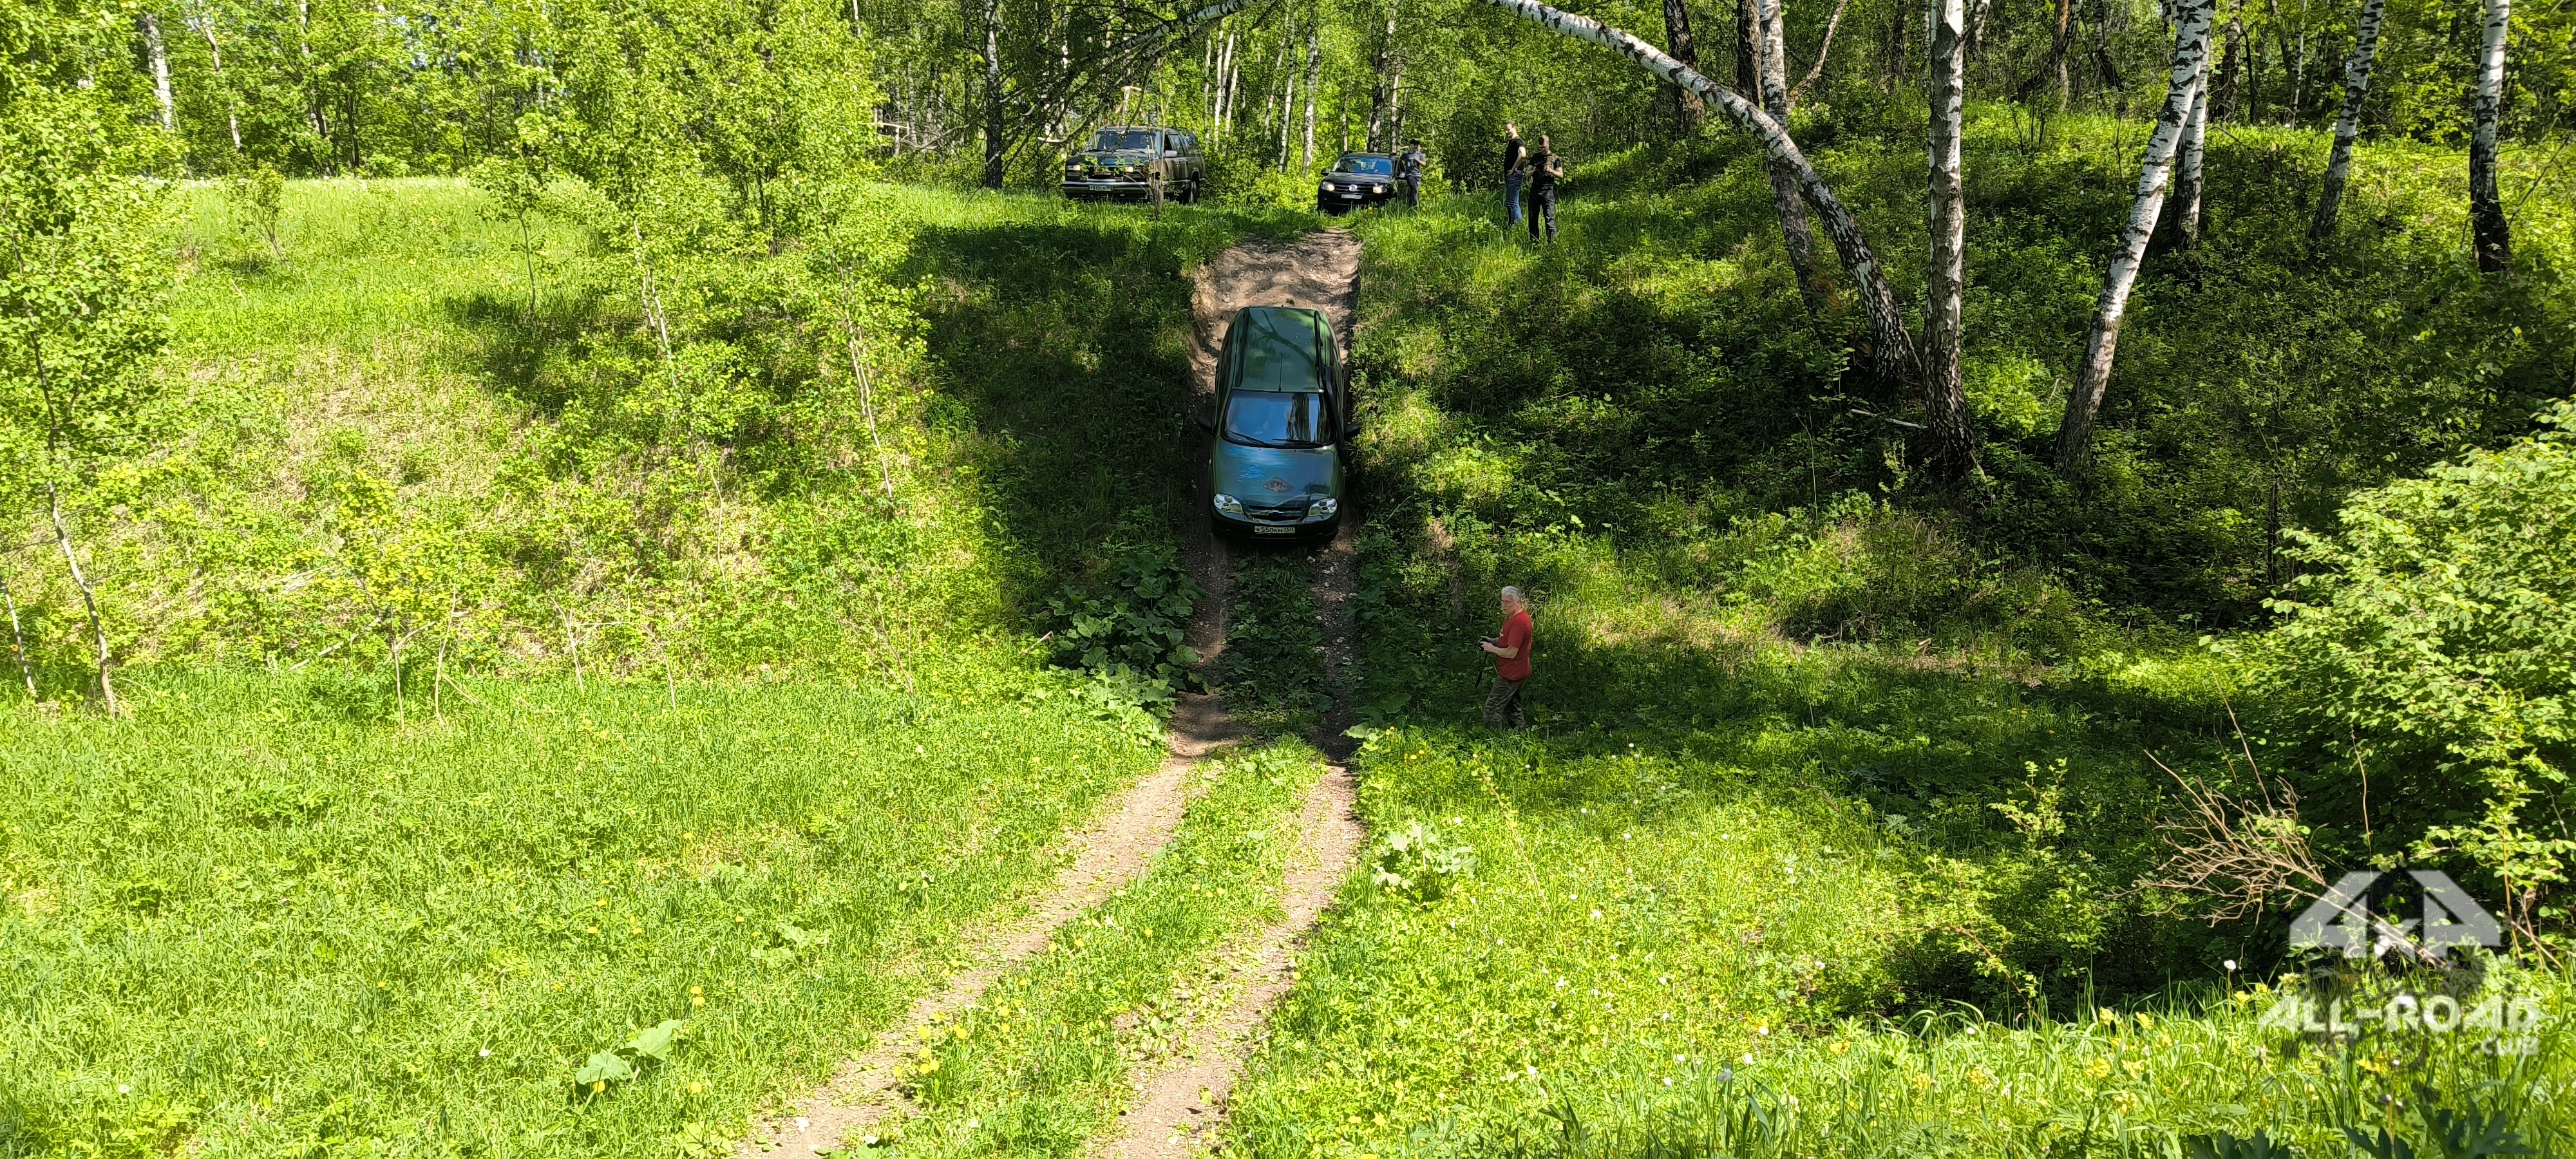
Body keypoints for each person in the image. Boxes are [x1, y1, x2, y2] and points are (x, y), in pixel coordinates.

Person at [1479, 587, 1533, 730]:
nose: (1504, 605)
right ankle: (1520, 733)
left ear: (1518, 602)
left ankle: (1492, 738)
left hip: (1511, 673)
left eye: (1508, 602)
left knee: (1492, 708)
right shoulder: (1514, 617)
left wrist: (1492, 649)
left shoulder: (1519, 623)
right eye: (1502, 602)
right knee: (1512, 705)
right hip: (1518, 670)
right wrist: (1493, 641)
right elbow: (1510, 641)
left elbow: (1511, 653)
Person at [1528, 135, 1564, 241]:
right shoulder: (1535, 157)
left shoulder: (1555, 158)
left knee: (1549, 218)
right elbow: (1527, 173)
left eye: (1544, 147)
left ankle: (1551, 242)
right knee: (1533, 218)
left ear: (1549, 144)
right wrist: (1534, 170)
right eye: (1540, 148)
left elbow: (1561, 175)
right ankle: (1534, 242)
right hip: (1535, 190)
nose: (1542, 149)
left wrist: (1551, 170)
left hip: (1547, 191)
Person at [1499, 124, 1526, 230]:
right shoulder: (1512, 142)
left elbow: (1523, 154)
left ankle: (1515, 227)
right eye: (1505, 130)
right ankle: (1514, 226)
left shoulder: (1517, 142)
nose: (1507, 132)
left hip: (1514, 176)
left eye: (1509, 130)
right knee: (1512, 202)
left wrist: (1513, 169)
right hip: (1513, 176)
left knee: (1512, 203)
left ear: (1515, 128)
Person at [1398, 138, 1428, 208]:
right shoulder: (1406, 154)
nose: (1416, 146)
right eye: (1414, 144)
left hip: (1417, 175)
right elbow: (1400, 160)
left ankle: (1410, 204)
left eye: (1417, 145)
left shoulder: (1419, 154)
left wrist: (1418, 160)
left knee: (1414, 190)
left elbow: (1424, 164)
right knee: (1414, 188)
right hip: (1409, 175)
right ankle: (1415, 205)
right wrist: (1397, 170)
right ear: (1411, 145)